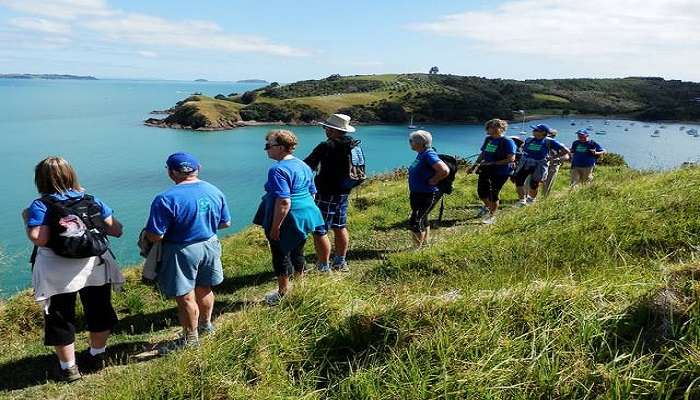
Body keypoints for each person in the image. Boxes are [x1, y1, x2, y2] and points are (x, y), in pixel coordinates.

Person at [22, 156, 124, 382]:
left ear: (40, 180)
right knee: (99, 309)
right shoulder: (90, 199)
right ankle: (97, 356)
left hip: (57, 271)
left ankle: (69, 368)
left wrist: (26, 218)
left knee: (61, 317)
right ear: (71, 175)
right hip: (94, 266)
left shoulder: (40, 205)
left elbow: (39, 238)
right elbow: (116, 230)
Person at [144, 152, 231, 353]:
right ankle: (206, 325)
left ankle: (190, 339)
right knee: (205, 287)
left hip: (181, 249)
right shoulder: (214, 191)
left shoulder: (165, 198)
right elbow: (225, 223)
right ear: (197, 168)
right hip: (210, 244)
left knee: (185, 296)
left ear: (171, 172)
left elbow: (155, 235)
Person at [254, 130, 325, 305]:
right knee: (298, 250)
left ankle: (283, 293)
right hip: (306, 214)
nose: (266, 149)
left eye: (268, 145)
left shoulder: (277, 170)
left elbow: (284, 201)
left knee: (280, 253)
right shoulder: (303, 165)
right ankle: (299, 287)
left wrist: (275, 226)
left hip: (288, 216)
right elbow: (313, 192)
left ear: (280, 147)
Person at [304, 114, 360, 272]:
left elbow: (306, 166)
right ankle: (340, 262)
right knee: (340, 226)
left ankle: (323, 267)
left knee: (320, 230)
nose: (325, 130)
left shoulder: (326, 146)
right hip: (344, 191)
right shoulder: (353, 145)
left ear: (332, 129)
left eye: (326, 127)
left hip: (326, 192)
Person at [467, 119, 517, 225]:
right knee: (481, 192)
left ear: (501, 129)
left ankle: (491, 216)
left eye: (494, 127)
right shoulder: (488, 139)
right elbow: (483, 154)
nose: (491, 129)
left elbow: (511, 159)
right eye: (490, 127)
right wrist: (474, 166)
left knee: (493, 193)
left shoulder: (507, 141)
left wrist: (493, 163)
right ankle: (488, 206)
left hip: (501, 171)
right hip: (486, 169)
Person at [407, 130, 450, 247]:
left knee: (415, 220)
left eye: (412, 141)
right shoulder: (421, 153)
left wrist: (434, 180)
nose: (410, 142)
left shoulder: (428, 154)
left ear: (421, 143)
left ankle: (417, 248)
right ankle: (425, 243)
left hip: (427, 193)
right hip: (417, 192)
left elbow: (444, 170)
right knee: (423, 217)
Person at [512, 124, 570, 206]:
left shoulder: (549, 141)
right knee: (518, 180)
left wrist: (552, 157)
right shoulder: (529, 139)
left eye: (535, 130)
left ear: (543, 132)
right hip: (526, 163)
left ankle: (531, 200)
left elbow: (566, 150)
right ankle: (522, 200)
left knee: (534, 184)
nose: (533, 131)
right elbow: (524, 149)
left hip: (539, 164)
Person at [541, 128, 569, 196]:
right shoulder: (542, 143)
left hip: (553, 166)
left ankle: (544, 199)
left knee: (547, 184)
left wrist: (555, 159)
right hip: (541, 165)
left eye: (549, 135)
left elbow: (566, 157)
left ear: (553, 136)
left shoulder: (558, 144)